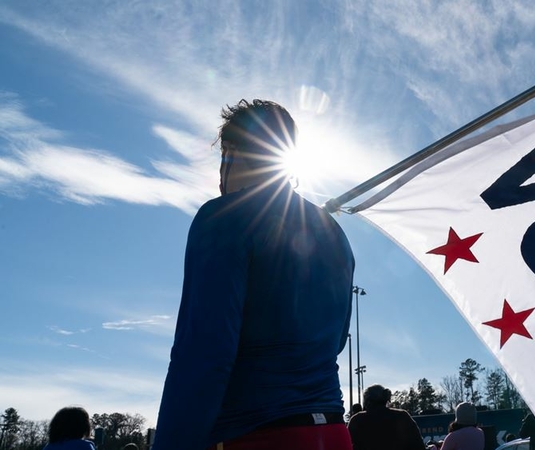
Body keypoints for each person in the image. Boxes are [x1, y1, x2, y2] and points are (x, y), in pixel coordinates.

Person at [153, 99, 355, 450]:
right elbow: (335, 342)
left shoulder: (222, 218)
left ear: (230, 153)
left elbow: (203, 352)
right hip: (334, 432)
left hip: (258, 433)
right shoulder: (335, 233)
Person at [347, 384, 426, 450]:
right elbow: (419, 446)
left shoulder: (357, 420)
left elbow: (346, 445)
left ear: (367, 401)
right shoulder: (402, 416)